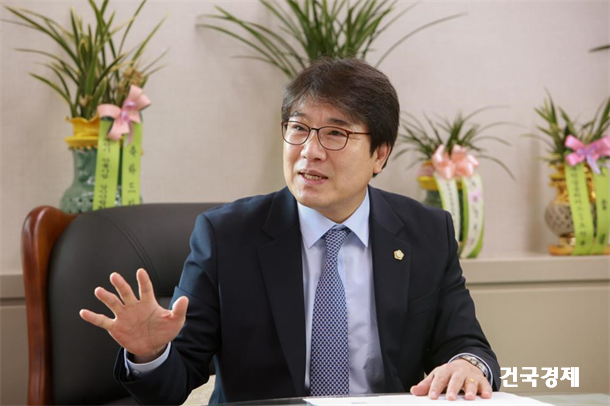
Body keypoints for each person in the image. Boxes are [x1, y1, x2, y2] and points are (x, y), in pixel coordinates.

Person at [80, 57, 500, 405]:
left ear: (380, 154)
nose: (309, 151)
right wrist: (150, 353)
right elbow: (171, 386)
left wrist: (467, 364)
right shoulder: (227, 236)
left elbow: (468, 345)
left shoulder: (426, 232)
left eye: (336, 134)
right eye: (298, 128)